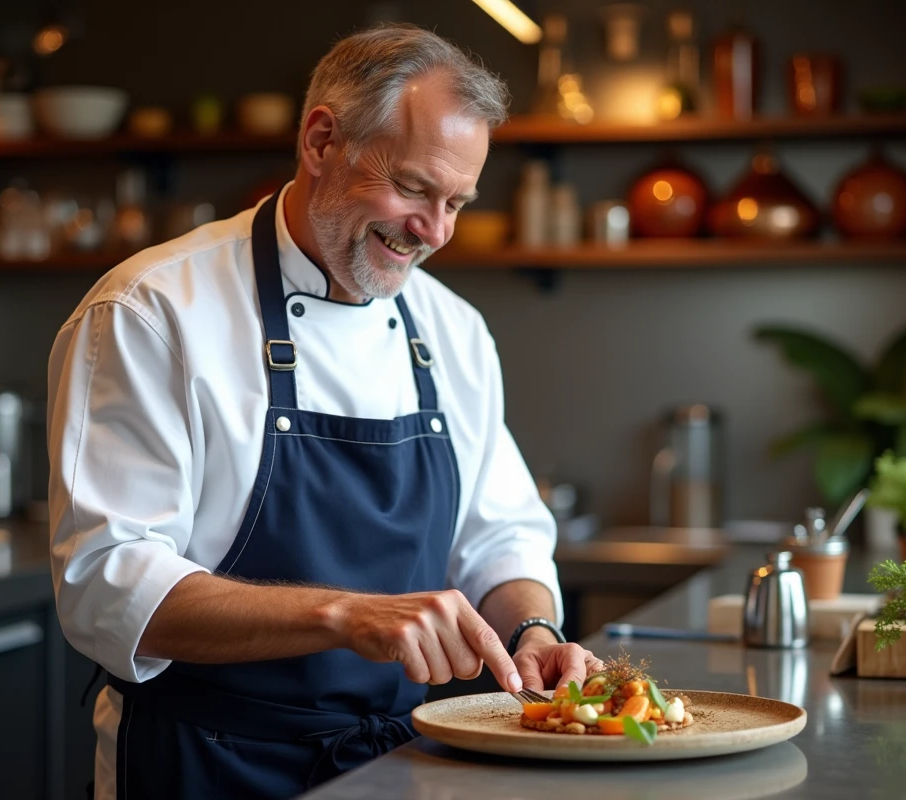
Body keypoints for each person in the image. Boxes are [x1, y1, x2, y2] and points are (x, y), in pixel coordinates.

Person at [47, 23, 599, 800]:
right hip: (200, 766)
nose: (434, 231)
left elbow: (498, 536)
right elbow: (107, 582)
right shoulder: (152, 313)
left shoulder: (452, 331)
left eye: (456, 203)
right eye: (412, 188)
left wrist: (533, 630)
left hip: (395, 768)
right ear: (320, 140)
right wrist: (346, 615)